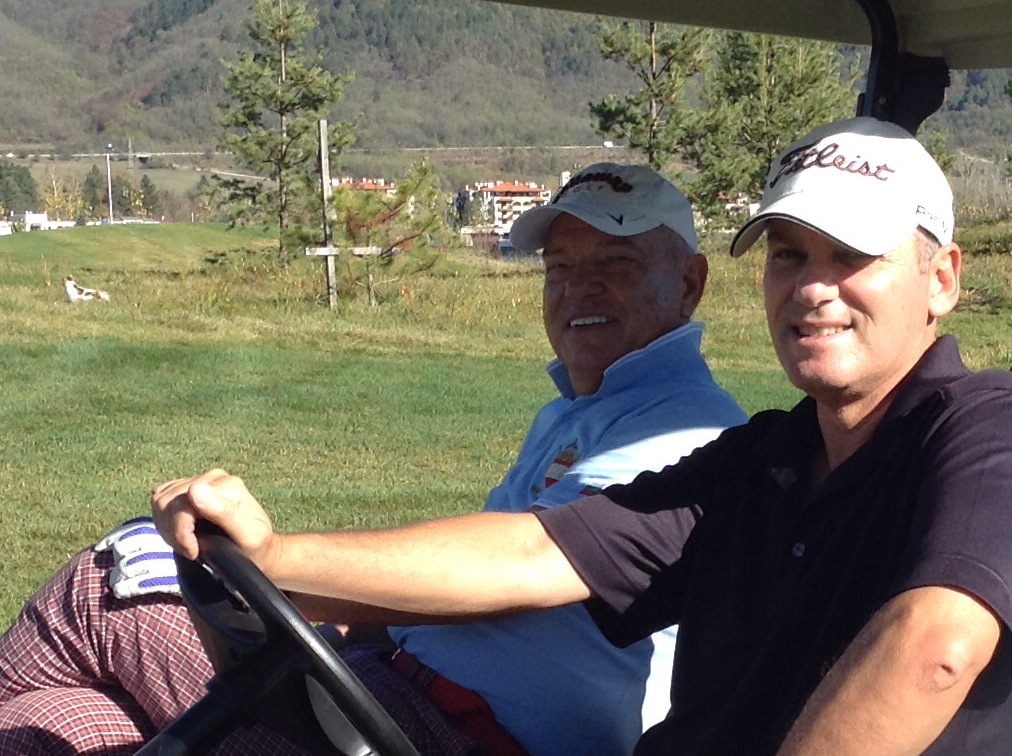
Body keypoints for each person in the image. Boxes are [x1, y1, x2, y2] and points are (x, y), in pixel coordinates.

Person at [152, 116, 1012, 755]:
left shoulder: (981, 429)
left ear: (941, 279)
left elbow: (933, 647)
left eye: (852, 256)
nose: (813, 288)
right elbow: (534, 554)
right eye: (789, 255)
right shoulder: (760, 463)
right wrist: (274, 555)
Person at [0, 162, 746, 755]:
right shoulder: (583, 413)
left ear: (689, 282)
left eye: (615, 262)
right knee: (57, 724)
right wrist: (350, 625)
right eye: (559, 267)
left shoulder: (682, 434)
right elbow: (477, 598)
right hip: (397, 695)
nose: (579, 288)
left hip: (449, 733)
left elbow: (523, 563)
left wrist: (276, 559)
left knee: (101, 589)